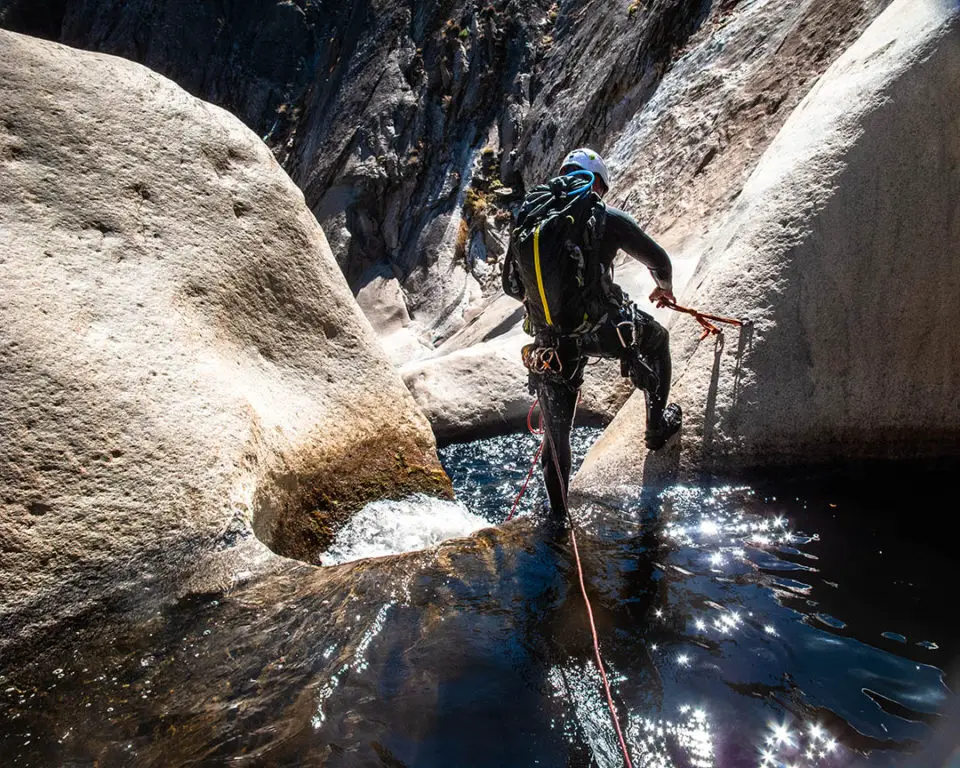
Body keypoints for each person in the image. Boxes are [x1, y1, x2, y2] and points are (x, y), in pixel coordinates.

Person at [502, 148, 682, 516]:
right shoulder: (604, 216)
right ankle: (655, 427)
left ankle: (558, 518)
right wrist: (664, 287)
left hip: (551, 343)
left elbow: (511, 286)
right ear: (597, 182)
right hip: (604, 329)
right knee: (658, 340)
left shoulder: (531, 219)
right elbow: (659, 260)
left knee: (556, 441)